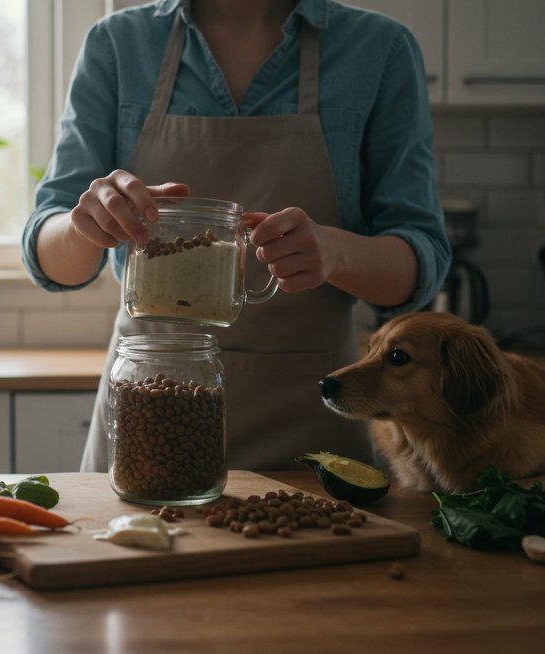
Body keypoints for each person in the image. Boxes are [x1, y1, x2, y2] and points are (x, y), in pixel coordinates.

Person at [22, 0, 450, 472]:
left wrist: (335, 252)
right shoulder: (117, 45)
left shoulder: (379, 49)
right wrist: (87, 226)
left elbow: (418, 263)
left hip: (313, 410)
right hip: (150, 402)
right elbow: (50, 257)